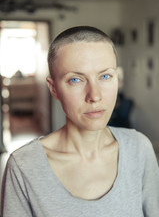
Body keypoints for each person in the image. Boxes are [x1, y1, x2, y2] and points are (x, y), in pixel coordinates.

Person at [1, 26, 159, 217]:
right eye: (76, 80)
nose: (95, 96)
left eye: (105, 76)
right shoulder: (24, 166)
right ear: (53, 89)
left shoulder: (139, 148)